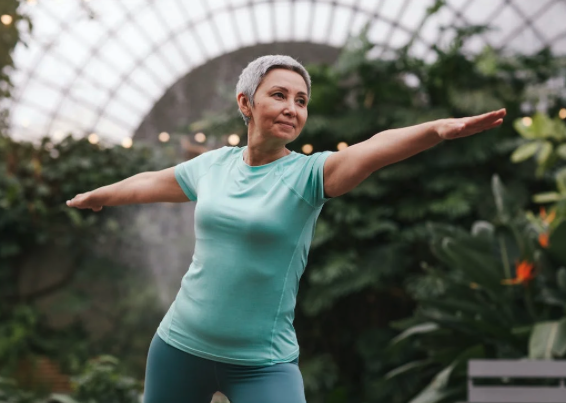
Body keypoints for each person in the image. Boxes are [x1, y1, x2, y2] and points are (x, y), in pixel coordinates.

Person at [66, 55, 506, 403]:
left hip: (262, 362)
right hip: (179, 346)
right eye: (279, 95)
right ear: (246, 104)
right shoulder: (212, 166)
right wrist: (99, 194)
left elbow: (373, 149)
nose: (292, 108)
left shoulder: (310, 176)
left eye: (301, 101)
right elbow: (149, 183)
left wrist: (435, 130)